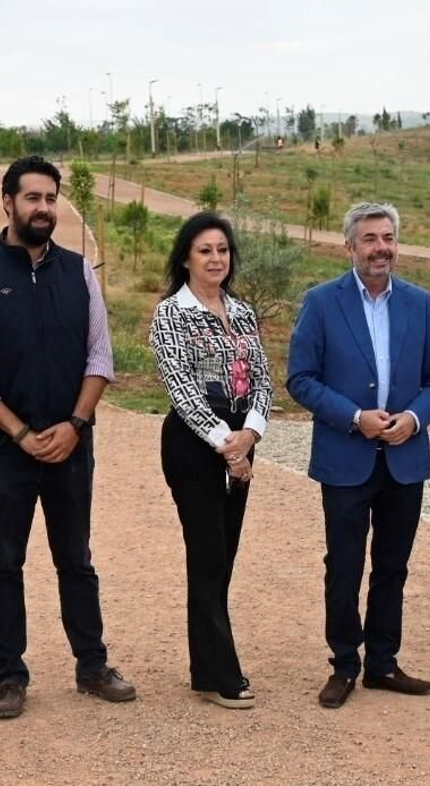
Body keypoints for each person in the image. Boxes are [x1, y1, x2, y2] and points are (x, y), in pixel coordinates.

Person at [0, 155, 135, 719]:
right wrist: (22, 433)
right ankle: (9, 677)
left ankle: (92, 665)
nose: (43, 208)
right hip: (6, 450)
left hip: (72, 447)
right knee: (4, 561)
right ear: (8, 203)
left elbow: (100, 356)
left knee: (75, 558)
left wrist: (76, 425)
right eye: (32, 198)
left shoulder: (79, 272)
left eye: (51, 198)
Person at [287, 202, 430, 709]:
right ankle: (344, 663)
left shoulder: (419, 303)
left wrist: (416, 418)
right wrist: (354, 416)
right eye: (370, 239)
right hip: (346, 456)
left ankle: (383, 662)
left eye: (387, 238)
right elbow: (300, 379)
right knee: (344, 564)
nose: (381, 248)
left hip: (404, 457)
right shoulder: (321, 302)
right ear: (351, 246)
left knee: (392, 566)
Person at [148, 211, 275, 709]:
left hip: (242, 442)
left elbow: (263, 379)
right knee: (207, 555)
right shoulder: (170, 314)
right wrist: (229, 447)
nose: (215, 258)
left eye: (222, 249)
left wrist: (251, 436)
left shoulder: (242, 312)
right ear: (185, 257)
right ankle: (223, 672)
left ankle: (205, 667)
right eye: (205, 250)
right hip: (195, 445)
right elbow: (180, 387)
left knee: (224, 557)